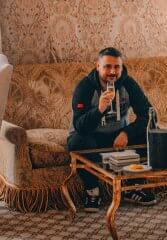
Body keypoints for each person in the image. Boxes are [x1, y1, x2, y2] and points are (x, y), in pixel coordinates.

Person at [67, 47, 158, 210]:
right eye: (107, 66)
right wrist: (99, 109)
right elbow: (80, 126)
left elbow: (150, 115)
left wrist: (127, 132)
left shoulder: (128, 83)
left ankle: (133, 186)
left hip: (118, 136)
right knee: (77, 141)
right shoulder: (85, 87)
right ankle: (92, 191)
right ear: (98, 66)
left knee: (150, 132)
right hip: (90, 135)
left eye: (117, 67)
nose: (112, 71)